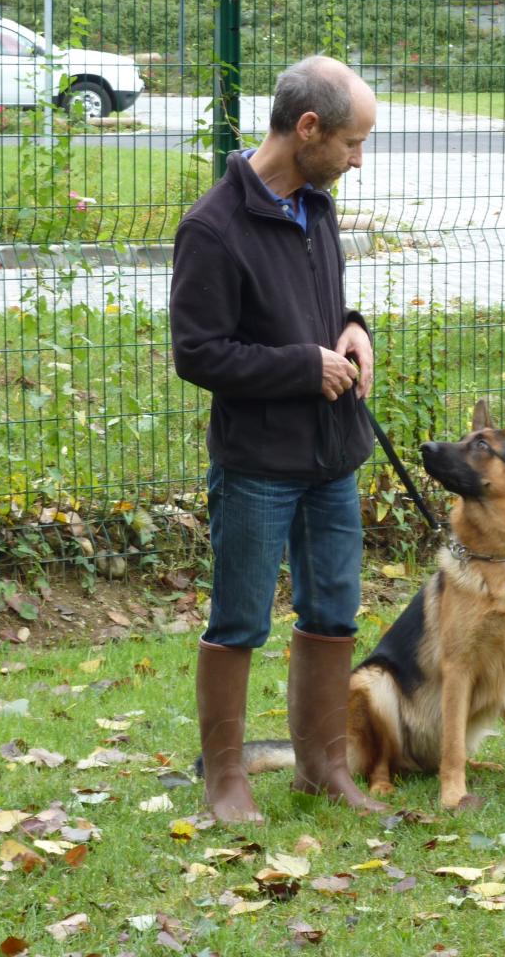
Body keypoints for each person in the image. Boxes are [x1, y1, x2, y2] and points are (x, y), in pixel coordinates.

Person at [168, 56, 386, 823]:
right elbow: (197, 352)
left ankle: (323, 769)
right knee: (239, 620)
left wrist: (353, 328)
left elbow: (321, 306)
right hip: (259, 463)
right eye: (353, 143)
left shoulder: (315, 208)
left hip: (332, 457)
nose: (358, 159)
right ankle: (226, 782)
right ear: (307, 130)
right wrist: (303, 366)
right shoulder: (212, 228)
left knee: (334, 610)